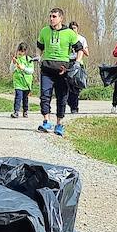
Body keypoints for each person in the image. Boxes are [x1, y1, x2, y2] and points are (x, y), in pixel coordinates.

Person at [36, 8, 82, 136]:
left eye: (54, 16)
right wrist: (39, 57)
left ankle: (59, 124)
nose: (51, 19)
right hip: (46, 68)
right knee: (45, 95)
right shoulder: (44, 31)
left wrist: (77, 63)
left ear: (61, 18)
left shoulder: (69, 33)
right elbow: (39, 47)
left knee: (62, 97)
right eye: (50, 16)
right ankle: (46, 121)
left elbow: (80, 49)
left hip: (63, 70)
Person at [65, 21, 90, 114]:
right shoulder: (66, 38)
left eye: (75, 28)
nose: (73, 30)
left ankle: (74, 107)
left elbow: (87, 53)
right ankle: (69, 102)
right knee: (66, 86)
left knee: (76, 86)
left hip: (78, 63)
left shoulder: (82, 39)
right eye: (71, 28)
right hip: (68, 62)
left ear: (77, 29)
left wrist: (80, 46)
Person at [10, 43, 35, 118]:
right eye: (19, 51)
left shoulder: (29, 59)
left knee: (25, 98)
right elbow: (11, 70)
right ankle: (16, 111)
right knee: (18, 96)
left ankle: (25, 111)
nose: (20, 53)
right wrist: (14, 64)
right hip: (18, 81)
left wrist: (23, 68)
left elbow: (31, 70)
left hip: (26, 82)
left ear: (25, 51)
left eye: (22, 51)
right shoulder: (15, 59)